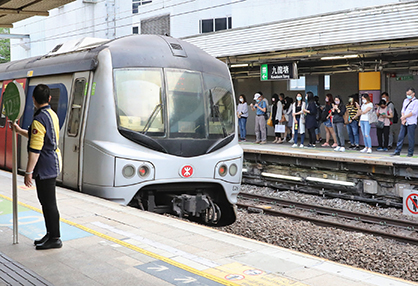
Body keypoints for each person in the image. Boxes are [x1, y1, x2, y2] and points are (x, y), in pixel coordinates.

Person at [13, 84, 62, 250]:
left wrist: (28, 172)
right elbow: (39, 137)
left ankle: (55, 238)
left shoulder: (39, 118)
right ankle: (50, 234)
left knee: (48, 203)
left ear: (33, 99)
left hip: (45, 166)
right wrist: (20, 131)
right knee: (46, 202)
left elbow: (35, 149)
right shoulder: (51, 114)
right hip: (52, 162)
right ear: (49, 99)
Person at [391, 87, 418, 157]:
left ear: (413, 94)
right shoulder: (405, 100)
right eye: (407, 94)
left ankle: (410, 152)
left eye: (409, 94)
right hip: (404, 121)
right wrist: (403, 118)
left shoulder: (416, 102)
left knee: (410, 138)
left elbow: (414, 112)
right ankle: (397, 151)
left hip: (411, 122)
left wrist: (404, 117)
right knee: (400, 136)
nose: (408, 95)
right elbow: (403, 110)